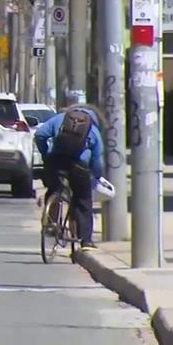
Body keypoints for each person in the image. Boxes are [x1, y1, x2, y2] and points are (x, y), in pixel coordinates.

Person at [33, 101, 105, 251]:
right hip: (78, 166)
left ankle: (50, 223)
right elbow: (97, 160)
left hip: (55, 161)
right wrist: (96, 176)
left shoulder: (59, 119)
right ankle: (86, 240)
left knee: (54, 189)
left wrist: (46, 154)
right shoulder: (93, 128)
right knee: (82, 200)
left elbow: (40, 135)